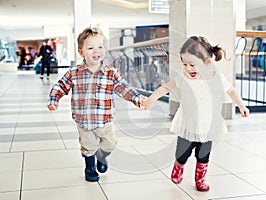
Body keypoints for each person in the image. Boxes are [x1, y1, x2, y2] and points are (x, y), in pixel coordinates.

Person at [142, 36, 249, 192]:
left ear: (207, 62)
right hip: (188, 124)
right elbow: (165, 88)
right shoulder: (183, 78)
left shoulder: (217, 78)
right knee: (182, 154)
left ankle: (200, 179)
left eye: (192, 64)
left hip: (208, 125)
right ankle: (179, 166)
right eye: (184, 64)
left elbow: (231, 91)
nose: (188, 68)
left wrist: (241, 105)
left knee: (203, 155)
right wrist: (151, 99)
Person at [47, 27, 145, 182]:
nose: (96, 51)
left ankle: (102, 157)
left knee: (110, 144)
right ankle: (90, 167)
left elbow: (123, 88)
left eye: (100, 47)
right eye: (90, 48)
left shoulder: (111, 73)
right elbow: (61, 85)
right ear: (81, 52)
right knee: (88, 146)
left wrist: (137, 98)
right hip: (83, 121)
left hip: (104, 120)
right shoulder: (74, 73)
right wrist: (54, 99)